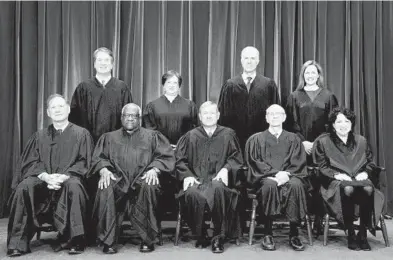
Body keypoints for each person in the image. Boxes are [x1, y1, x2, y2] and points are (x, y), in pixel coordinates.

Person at [7, 94, 93, 257]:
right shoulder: (39, 136)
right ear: (48, 112)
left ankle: (76, 240)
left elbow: (85, 162)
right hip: (43, 183)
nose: (57, 110)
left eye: (61, 106)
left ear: (68, 109)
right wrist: (45, 176)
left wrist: (64, 176)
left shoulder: (82, 134)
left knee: (75, 186)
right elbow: (29, 162)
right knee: (24, 187)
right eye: (53, 107)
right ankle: (17, 243)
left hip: (68, 180)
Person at [89, 103, 175, 254]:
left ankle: (147, 238)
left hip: (142, 179)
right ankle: (108, 240)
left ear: (139, 118)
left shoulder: (153, 136)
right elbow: (98, 158)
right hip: (118, 180)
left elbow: (165, 156)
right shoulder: (109, 138)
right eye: (126, 115)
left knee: (149, 185)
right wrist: (103, 170)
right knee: (105, 186)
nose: (130, 119)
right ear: (121, 117)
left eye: (134, 116)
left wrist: (155, 169)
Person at [175, 101, 244, 253]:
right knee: (192, 193)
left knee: (218, 189)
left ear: (218, 115)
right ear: (199, 116)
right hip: (197, 179)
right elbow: (180, 160)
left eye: (212, 113)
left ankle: (218, 236)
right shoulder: (190, 136)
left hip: (219, 180)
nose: (209, 116)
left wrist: (226, 169)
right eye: (205, 113)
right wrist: (187, 175)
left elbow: (236, 158)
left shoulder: (228, 134)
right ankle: (201, 233)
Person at [312, 107, 384, 251]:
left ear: (351, 124)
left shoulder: (361, 141)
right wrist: (336, 175)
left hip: (359, 179)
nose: (343, 124)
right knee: (348, 188)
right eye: (339, 122)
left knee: (368, 188)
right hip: (334, 182)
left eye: (347, 121)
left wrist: (366, 173)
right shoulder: (323, 142)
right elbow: (321, 166)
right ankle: (351, 233)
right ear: (333, 125)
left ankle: (362, 234)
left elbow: (370, 162)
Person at [285, 60, 338, 235]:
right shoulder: (294, 96)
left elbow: (333, 125)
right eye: (307, 73)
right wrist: (303, 142)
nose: (310, 76)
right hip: (299, 147)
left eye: (313, 73)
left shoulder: (328, 96)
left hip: (322, 147)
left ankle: (319, 219)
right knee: (302, 180)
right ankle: (300, 217)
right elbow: (290, 124)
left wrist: (318, 143)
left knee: (320, 181)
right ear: (303, 75)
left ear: (319, 75)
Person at [245, 104, 308, 251]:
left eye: (278, 114)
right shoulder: (256, 140)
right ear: (266, 118)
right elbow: (255, 163)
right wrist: (274, 174)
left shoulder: (294, 139)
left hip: (290, 176)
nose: (274, 116)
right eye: (271, 114)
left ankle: (294, 233)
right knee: (269, 185)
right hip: (265, 177)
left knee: (296, 185)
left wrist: (286, 174)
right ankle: (268, 233)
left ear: (284, 117)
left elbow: (298, 162)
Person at [218, 46, 280, 151]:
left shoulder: (268, 84)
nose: (249, 61)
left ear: (258, 61)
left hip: (262, 141)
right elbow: (222, 115)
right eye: (246, 58)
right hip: (235, 141)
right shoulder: (230, 85)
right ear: (241, 60)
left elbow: (276, 113)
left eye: (253, 58)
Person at [69, 47, 133, 144]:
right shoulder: (83, 88)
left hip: (117, 144)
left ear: (112, 65)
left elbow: (129, 118)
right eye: (99, 60)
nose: (103, 63)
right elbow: (74, 118)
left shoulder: (122, 88)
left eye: (107, 60)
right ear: (94, 64)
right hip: (88, 144)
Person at [143, 70, 198, 147]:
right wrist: (164, 145)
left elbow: (194, 129)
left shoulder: (189, 105)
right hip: (160, 150)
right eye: (168, 82)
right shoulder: (152, 106)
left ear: (179, 85)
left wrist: (182, 145)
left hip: (185, 149)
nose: (172, 85)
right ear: (163, 85)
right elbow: (149, 130)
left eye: (175, 83)